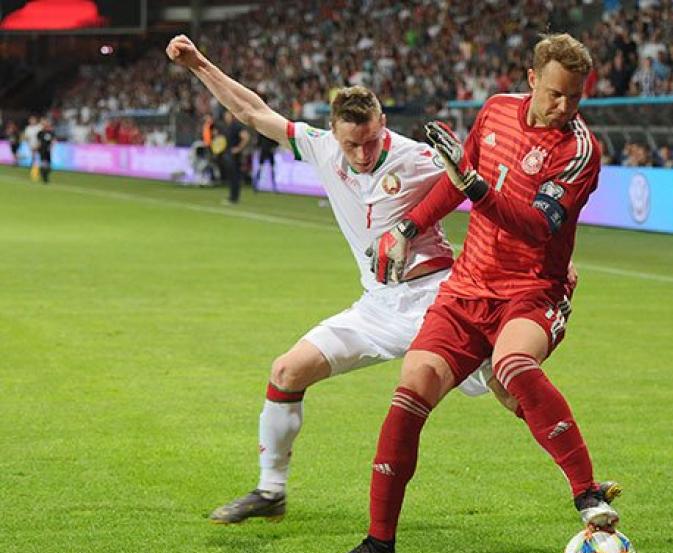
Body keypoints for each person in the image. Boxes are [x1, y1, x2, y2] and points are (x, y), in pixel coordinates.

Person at [165, 34, 521, 524]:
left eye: (371, 140)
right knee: (286, 372)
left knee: (508, 383)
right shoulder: (321, 148)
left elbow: (481, 186)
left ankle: (585, 489)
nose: (362, 153)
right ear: (333, 133)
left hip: (437, 300)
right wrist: (199, 64)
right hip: (376, 307)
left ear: (383, 124)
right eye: (352, 143)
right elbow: (252, 112)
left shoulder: (416, 157)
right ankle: (271, 491)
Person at [326, 33, 621, 553]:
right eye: (555, 94)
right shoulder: (495, 111)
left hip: (533, 289)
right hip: (466, 287)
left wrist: (476, 185)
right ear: (532, 80)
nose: (565, 107)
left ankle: (586, 493)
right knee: (411, 389)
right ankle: (379, 540)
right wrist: (408, 227)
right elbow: (457, 183)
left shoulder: (580, 150)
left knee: (512, 365)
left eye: (576, 97)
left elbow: (537, 227)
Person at [221, 110, 250, 204]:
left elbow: (246, 137)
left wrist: (238, 148)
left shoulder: (237, 126)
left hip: (235, 156)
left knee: (235, 176)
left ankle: (234, 197)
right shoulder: (227, 127)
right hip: (228, 154)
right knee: (231, 176)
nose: (226, 117)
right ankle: (232, 196)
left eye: (227, 115)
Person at [36, 118, 54, 184]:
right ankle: (44, 177)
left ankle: (45, 175)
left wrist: (51, 147)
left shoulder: (50, 133)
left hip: (48, 150)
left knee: (48, 165)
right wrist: (38, 147)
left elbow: (53, 141)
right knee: (43, 163)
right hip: (42, 150)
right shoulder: (40, 133)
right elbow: (38, 141)